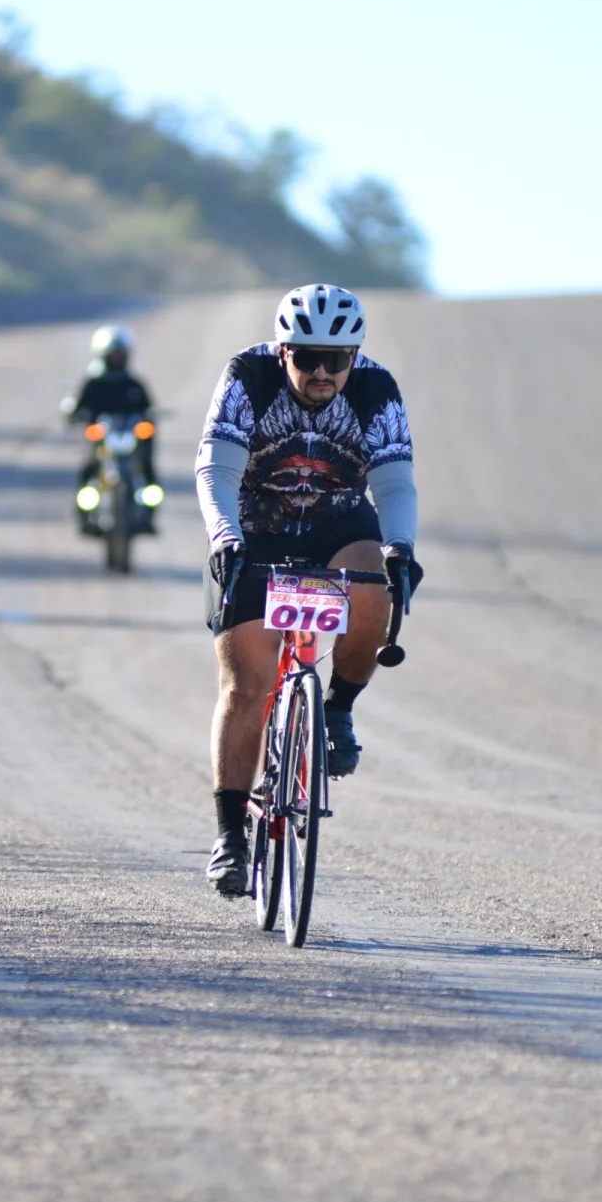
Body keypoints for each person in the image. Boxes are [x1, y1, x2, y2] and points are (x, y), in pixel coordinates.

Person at [194, 284, 422, 895]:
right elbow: (216, 468)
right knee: (247, 686)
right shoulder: (248, 377)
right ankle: (231, 837)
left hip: (337, 525)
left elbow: (395, 484)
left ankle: (337, 710)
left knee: (375, 585)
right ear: (283, 351)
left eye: (336, 359)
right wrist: (224, 537)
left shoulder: (375, 389)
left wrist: (401, 548)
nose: (322, 372)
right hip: (256, 529)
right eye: (307, 357)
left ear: (355, 356)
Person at [64, 324, 157, 529]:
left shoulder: (134, 385)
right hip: (103, 443)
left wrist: (148, 422)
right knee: (88, 468)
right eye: (113, 355)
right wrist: (75, 415)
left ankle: (149, 513)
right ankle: (84, 515)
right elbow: (77, 408)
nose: (117, 359)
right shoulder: (93, 384)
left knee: (147, 464)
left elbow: (149, 411)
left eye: (120, 354)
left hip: (130, 440)